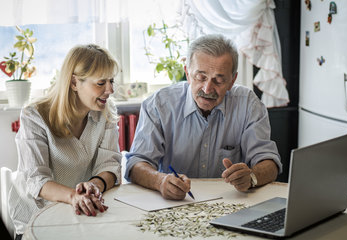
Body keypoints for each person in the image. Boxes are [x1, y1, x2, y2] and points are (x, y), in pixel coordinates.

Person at [125, 34, 282, 200]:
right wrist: (160, 181)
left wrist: (251, 176)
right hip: (173, 203)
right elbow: (136, 164)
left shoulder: (248, 104)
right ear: (187, 72)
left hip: (229, 201)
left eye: (219, 80)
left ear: (232, 81)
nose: (207, 89)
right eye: (200, 77)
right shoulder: (159, 104)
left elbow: (269, 162)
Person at [9, 44, 122, 239]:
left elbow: (110, 164)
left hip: (80, 212)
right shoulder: (35, 115)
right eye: (101, 83)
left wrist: (93, 186)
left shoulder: (105, 111)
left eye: (111, 81)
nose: (110, 90)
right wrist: (73, 196)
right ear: (74, 83)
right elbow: (37, 180)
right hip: (35, 217)